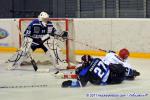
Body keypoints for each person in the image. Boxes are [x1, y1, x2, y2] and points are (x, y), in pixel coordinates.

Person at [61, 55, 139, 88]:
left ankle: (126, 75)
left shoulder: (85, 72)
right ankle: (130, 73)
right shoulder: (97, 59)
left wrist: (70, 83)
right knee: (112, 66)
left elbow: (81, 84)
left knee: (92, 79)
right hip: (118, 74)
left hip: (112, 81)